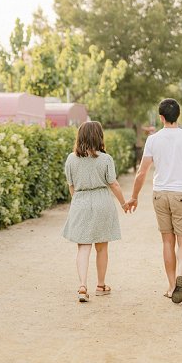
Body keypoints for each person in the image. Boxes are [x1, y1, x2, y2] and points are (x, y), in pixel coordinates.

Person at [125, 99, 182, 304]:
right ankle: (181, 273)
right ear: (178, 116)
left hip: (160, 194)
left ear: (161, 117)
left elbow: (142, 172)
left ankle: (171, 285)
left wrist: (134, 197)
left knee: (167, 241)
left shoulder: (153, 140)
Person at [62, 121, 130, 302]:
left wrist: (78, 201)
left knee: (83, 247)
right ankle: (101, 285)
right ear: (99, 136)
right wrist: (124, 204)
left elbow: (71, 187)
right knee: (101, 247)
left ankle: (82, 286)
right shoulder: (106, 159)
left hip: (81, 201)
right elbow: (113, 184)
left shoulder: (71, 159)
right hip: (102, 202)